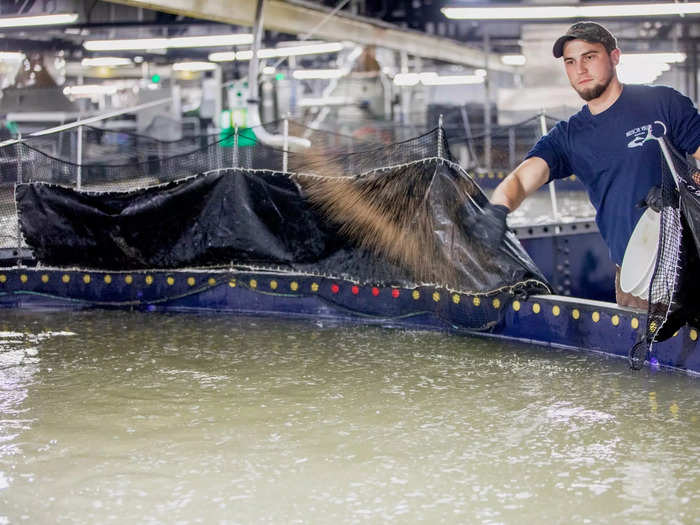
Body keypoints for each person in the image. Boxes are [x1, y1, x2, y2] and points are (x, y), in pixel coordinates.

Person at [469, 21, 700, 308]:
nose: (580, 69)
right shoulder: (569, 137)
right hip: (637, 279)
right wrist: (497, 210)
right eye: (570, 61)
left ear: (614, 57)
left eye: (589, 57)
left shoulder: (661, 103)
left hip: (692, 263)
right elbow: (522, 178)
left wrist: (683, 192)